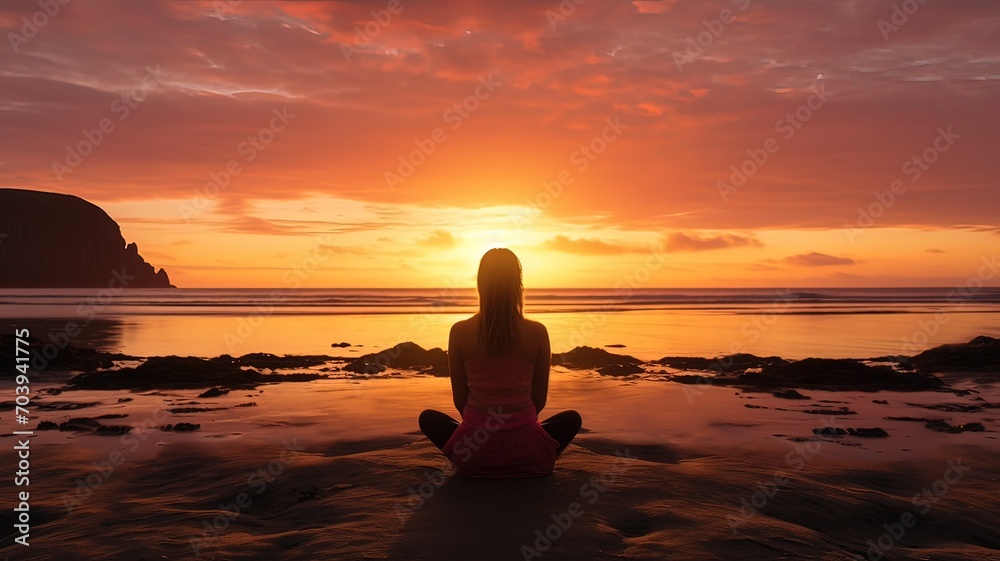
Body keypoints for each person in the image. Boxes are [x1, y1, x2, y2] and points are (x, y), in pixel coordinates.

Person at [419, 248, 582, 478]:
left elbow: (460, 402)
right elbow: (539, 401)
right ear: (518, 284)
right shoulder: (537, 332)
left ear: (480, 284)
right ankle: (530, 456)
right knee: (571, 419)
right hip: (528, 456)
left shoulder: (459, 331)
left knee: (429, 418)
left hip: (473, 455)